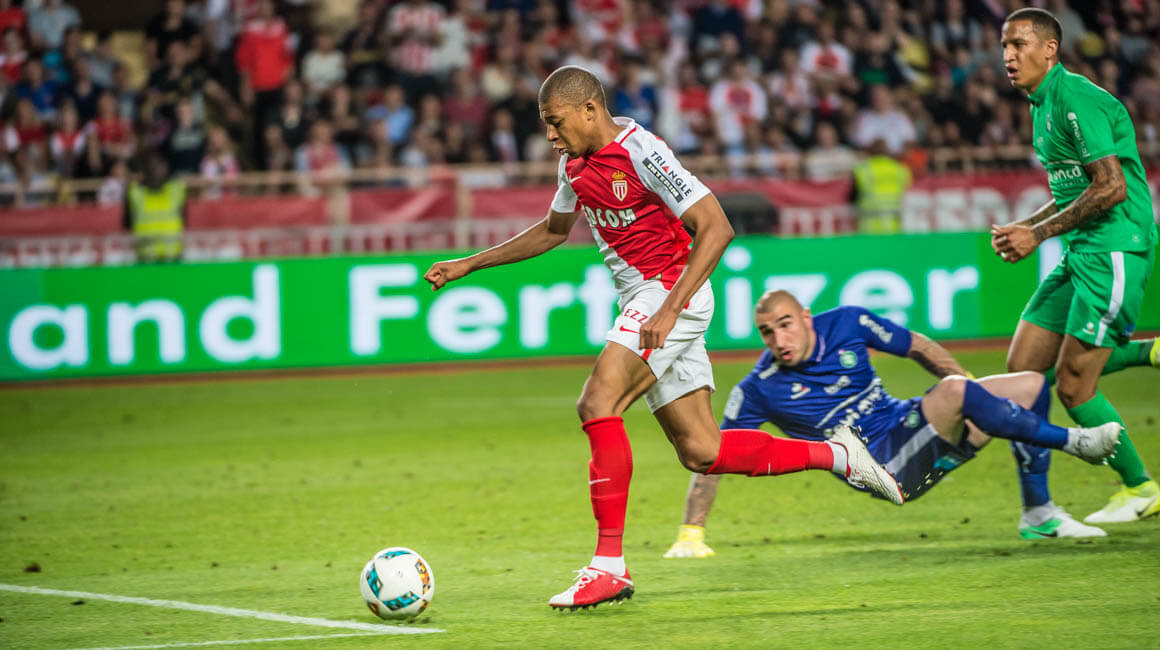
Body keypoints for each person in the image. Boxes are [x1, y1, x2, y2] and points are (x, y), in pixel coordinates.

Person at [423, 66, 904, 611]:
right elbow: (554, 231)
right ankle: (839, 455)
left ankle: (608, 567)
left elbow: (717, 227)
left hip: (670, 292)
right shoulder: (572, 164)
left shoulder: (643, 151)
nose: (550, 135)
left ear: (589, 110)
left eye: (556, 122)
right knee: (702, 451)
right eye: (545, 124)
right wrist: (469, 264)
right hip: (649, 301)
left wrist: (671, 309)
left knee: (597, 402)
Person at [662, 290, 1123, 559]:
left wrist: (972, 393)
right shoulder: (759, 388)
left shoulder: (848, 322)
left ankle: (1039, 513)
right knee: (959, 392)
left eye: (785, 324)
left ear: (805, 318)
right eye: (767, 332)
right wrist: (691, 533)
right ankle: (1074, 442)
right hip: (882, 467)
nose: (778, 339)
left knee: (1029, 386)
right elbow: (717, 454)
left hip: (912, 424)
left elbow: (918, 345)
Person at [991, 8, 1160, 524]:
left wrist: (1037, 234)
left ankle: (1141, 487)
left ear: (1050, 49)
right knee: (1024, 369)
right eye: (1004, 46)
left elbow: (1112, 187)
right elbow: (1075, 188)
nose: (1008, 55)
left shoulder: (1076, 100)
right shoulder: (1040, 104)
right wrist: (1028, 222)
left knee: (1072, 386)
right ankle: (1149, 352)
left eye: (1019, 45)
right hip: (1082, 248)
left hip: (1114, 248)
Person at [125, 152, 186, 263]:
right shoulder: (135, 193)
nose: (155, 169)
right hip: (145, 258)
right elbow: (126, 225)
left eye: (158, 165)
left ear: (166, 167)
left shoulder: (177, 190)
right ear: (144, 170)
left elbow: (186, 221)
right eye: (151, 166)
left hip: (173, 257)